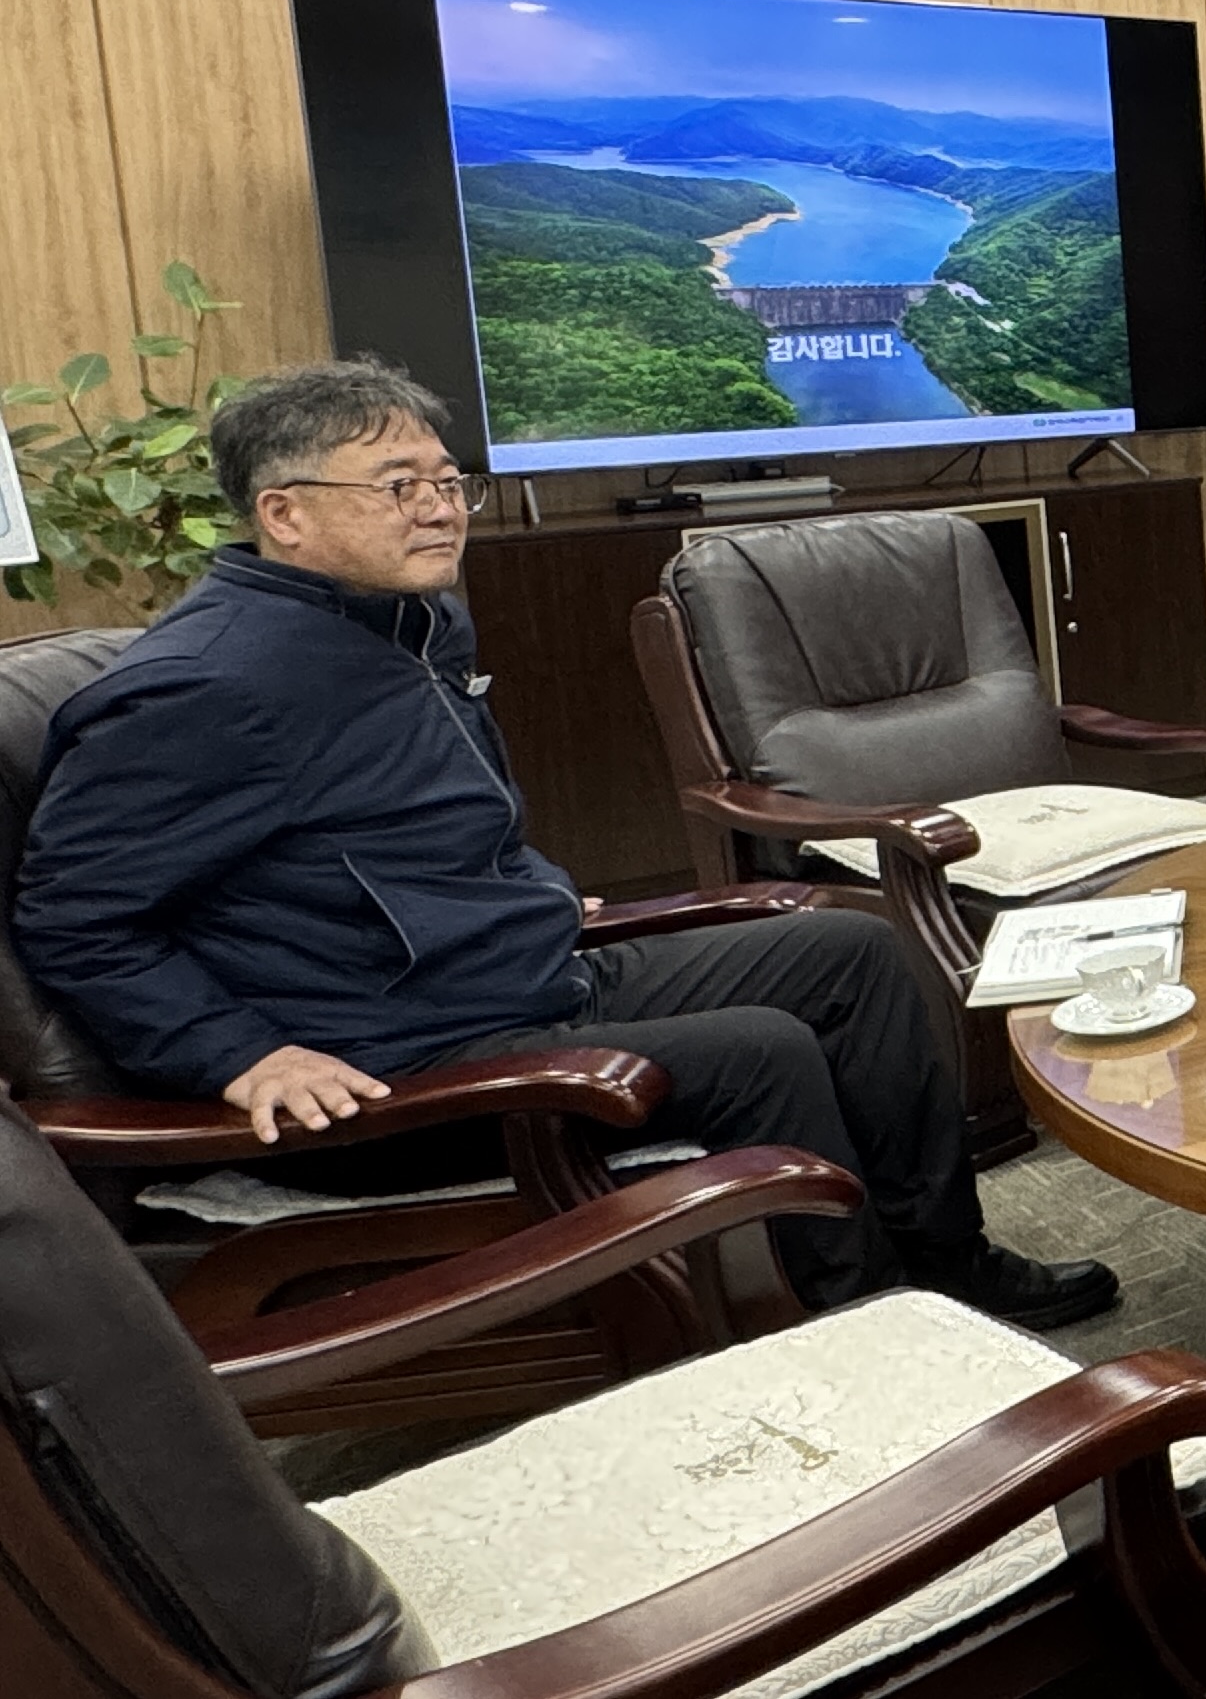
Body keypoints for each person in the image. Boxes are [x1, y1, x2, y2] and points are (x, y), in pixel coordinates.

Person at [8, 361, 1116, 1327]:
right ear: (284, 514)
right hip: (392, 1069)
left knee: (850, 950)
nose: (440, 510)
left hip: (514, 982)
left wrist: (528, 897)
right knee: (763, 1049)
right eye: (397, 487)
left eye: (448, 481)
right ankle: (863, 1325)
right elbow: (72, 915)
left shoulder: (405, 621)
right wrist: (239, 1054)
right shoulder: (208, 686)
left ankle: (949, 1261)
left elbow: (412, 828)